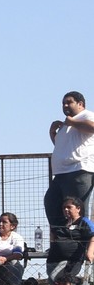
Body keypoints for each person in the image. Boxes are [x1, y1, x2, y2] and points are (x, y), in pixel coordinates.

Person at [46, 90, 94, 231]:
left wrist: (73, 122)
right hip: (61, 173)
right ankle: (62, 238)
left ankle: (81, 244)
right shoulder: (67, 124)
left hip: (79, 170)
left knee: (76, 210)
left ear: (80, 104)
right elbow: (63, 147)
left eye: (69, 102)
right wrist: (52, 133)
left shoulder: (87, 116)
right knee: (52, 203)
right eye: (63, 103)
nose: (65, 105)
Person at [45, 196, 94, 284]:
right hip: (53, 259)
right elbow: (53, 233)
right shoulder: (61, 223)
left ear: (78, 208)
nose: (66, 210)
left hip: (71, 261)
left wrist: (90, 252)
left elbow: (93, 235)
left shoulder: (84, 222)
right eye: (64, 208)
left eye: (69, 207)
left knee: (61, 282)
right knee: (54, 284)